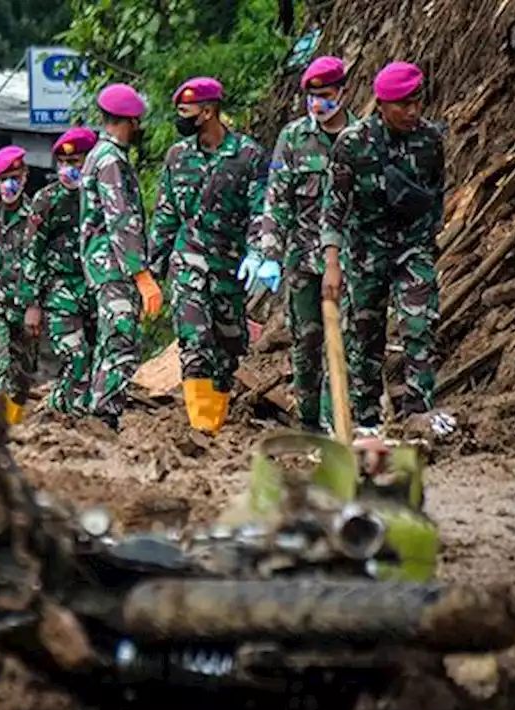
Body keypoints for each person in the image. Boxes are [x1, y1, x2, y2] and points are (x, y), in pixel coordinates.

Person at [322, 61, 445, 431]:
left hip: (412, 247)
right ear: (380, 104)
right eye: (402, 105)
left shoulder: (429, 140)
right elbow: (334, 207)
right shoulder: (352, 144)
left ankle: (418, 414)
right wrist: (332, 262)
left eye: (416, 102)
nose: (412, 112)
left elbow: (436, 193)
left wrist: (426, 241)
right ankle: (366, 420)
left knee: (419, 325)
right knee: (365, 339)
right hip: (365, 251)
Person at [150, 77, 268, 435]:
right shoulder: (177, 157)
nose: (180, 118)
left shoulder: (248, 156)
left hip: (230, 266)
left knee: (227, 349)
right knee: (195, 341)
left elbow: (261, 210)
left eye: (186, 111)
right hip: (188, 263)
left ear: (207, 111)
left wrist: (260, 252)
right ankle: (200, 426)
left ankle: (215, 423)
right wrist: (150, 272)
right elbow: (166, 214)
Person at [253, 57, 357, 433]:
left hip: (347, 258)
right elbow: (277, 201)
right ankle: (309, 420)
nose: (318, 105)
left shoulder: (360, 138)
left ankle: (335, 424)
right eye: (312, 97)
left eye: (325, 96)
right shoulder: (294, 138)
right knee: (307, 340)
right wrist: (269, 254)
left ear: (343, 92)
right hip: (301, 257)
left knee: (343, 341)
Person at [80, 84, 163, 431]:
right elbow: (121, 220)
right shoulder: (111, 160)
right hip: (114, 266)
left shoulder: (97, 155)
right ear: (126, 122)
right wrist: (142, 277)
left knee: (110, 341)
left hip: (104, 265)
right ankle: (102, 418)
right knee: (121, 343)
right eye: (135, 123)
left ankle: (100, 414)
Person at [26, 127, 97, 417]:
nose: (69, 170)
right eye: (64, 163)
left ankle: (62, 411)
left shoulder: (103, 195)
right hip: (60, 289)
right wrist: (32, 304)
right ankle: (67, 415)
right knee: (75, 356)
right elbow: (32, 253)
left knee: (96, 358)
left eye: (76, 162)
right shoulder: (47, 200)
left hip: (96, 286)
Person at [0, 145, 36, 424]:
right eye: (2, 179)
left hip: (24, 306)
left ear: (25, 175)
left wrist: (35, 304)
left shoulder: (36, 216)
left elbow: (41, 263)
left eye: (14, 176)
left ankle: (12, 425)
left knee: (23, 375)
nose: (8, 184)